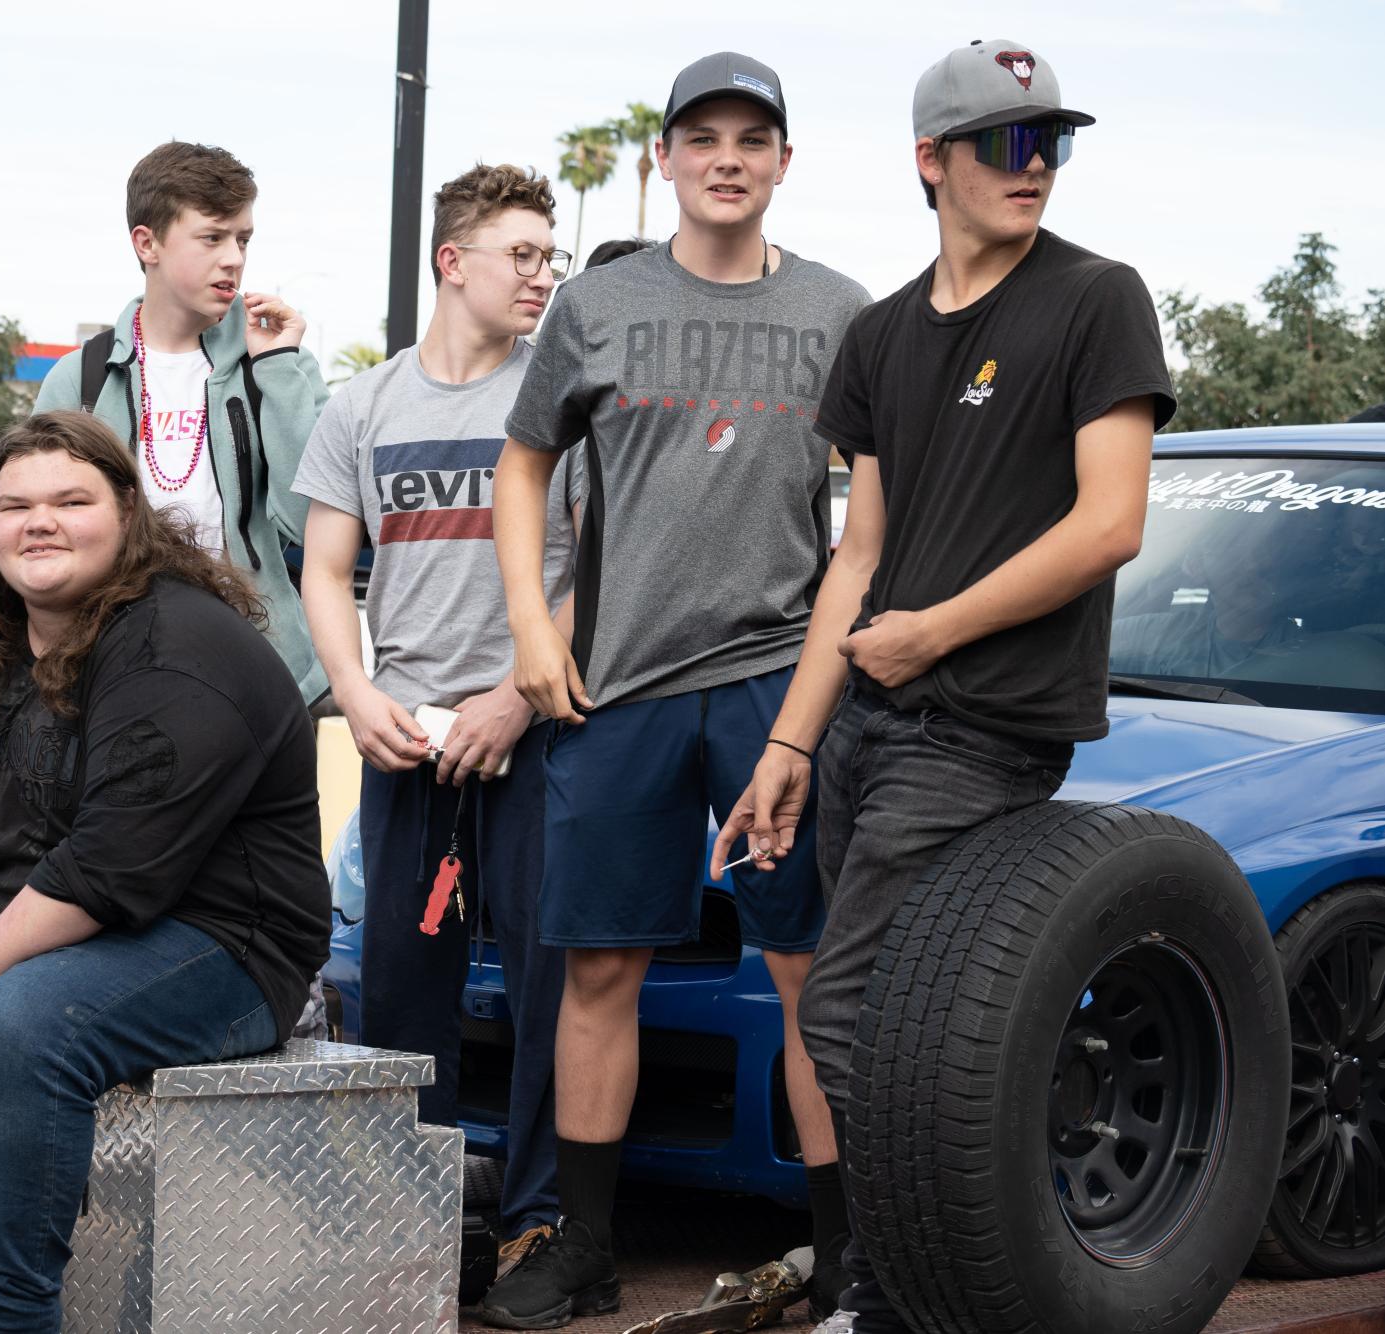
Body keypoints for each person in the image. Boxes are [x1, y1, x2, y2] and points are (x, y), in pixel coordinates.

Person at [714, 40, 1174, 1333]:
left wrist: (932, 635)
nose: (1035, 169)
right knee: (875, 1022)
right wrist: (792, 742)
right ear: (932, 161)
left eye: (1052, 144)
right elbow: (856, 553)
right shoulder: (878, 335)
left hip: (982, 731)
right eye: (1007, 145)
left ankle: (942, 1290)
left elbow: (1111, 524)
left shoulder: (1098, 300)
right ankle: (890, 1288)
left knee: (860, 1015)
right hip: (865, 720)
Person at [482, 52, 871, 1329]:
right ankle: (582, 1243)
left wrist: (815, 714)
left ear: (781, 162)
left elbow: (869, 529)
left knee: (809, 966)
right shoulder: (596, 310)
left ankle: (844, 1251)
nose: (725, 157)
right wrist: (535, 628)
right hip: (621, 688)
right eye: (700, 137)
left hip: (772, 684)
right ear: (663, 159)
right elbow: (524, 464)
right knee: (601, 967)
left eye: (750, 138)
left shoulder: (839, 314)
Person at [0, 411, 330, 1334]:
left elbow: (110, 868)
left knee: (23, 1024)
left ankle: (10, 1317)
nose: (40, 521)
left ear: (128, 512)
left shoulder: (182, 643)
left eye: (71, 500)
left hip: (212, 940)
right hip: (13, 918)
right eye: (15, 504)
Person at [294, 162, 585, 1276]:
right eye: (521, 253)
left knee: (550, 988)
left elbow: (594, 569)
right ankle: (415, 1228)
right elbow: (327, 568)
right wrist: (357, 693)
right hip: (408, 743)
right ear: (450, 261)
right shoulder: (365, 405)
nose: (541, 275)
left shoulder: (554, 402)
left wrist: (519, 692)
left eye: (549, 257)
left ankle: (536, 1219)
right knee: (405, 997)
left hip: (535, 732)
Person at [35, 140, 331, 707]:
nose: (235, 258)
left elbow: (309, 522)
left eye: (243, 239)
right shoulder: (81, 380)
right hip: (113, 669)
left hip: (259, 669)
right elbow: (44, 535)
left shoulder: (275, 365)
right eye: (213, 237)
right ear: (147, 243)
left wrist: (279, 368)